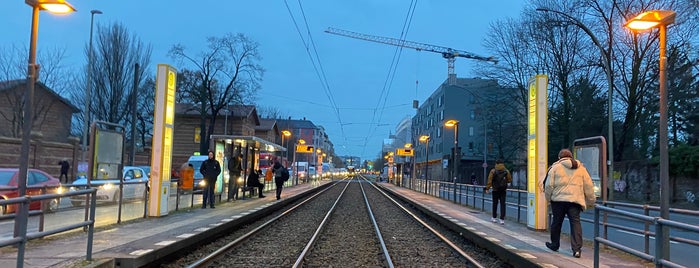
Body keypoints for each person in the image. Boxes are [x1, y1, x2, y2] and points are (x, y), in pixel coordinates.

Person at [543, 149, 595, 258]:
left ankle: (555, 244)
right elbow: (589, 186)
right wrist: (591, 201)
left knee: (556, 222)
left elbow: (548, 186)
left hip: (558, 201)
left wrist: (548, 198)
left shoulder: (555, 168)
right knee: (575, 223)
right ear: (571, 157)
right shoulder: (581, 169)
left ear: (559, 158)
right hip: (575, 201)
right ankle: (576, 249)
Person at [485, 159, 512, 225]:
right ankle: (502, 219)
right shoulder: (506, 171)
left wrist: (487, 188)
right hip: (503, 190)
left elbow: (490, 180)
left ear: (496, 164)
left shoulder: (493, 171)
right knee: (503, 204)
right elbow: (509, 180)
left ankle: (494, 218)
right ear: (502, 164)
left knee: (495, 203)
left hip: (495, 190)